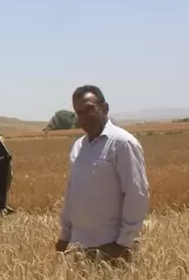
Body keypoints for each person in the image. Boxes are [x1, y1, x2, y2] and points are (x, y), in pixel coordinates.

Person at [56, 85, 150, 264]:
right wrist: (65, 235)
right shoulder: (79, 146)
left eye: (89, 109)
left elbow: (137, 193)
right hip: (79, 246)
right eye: (79, 112)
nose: (84, 116)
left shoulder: (122, 143)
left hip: (112, 246)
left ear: (104, 108)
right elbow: (72, 193)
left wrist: (124, 243)